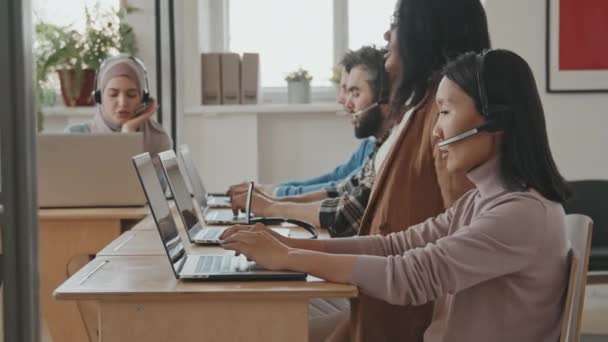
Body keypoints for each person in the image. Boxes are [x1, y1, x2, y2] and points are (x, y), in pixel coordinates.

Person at [221, 49, 572, 342]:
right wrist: (286, 245)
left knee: (254, 327)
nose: (435, 131)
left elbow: (408, 276)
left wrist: (289, 257)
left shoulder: (520, 215)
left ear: (496, 120)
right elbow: (393, 245)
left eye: (446, 112)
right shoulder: (482, 201)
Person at [231, 46, 395, 238]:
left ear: (384, 98)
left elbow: (344, 213)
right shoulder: (376, 146)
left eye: (355, 92)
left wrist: (272, 205)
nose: (345, 102)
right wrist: (271, 200)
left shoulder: (391, 148)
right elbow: (338, 189)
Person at [228, 52, 377, 199]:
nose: (341, 99)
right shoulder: (368, 144)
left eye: (352, 91)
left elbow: (338, 189)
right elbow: (336, 178)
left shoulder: (378, 151)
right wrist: (271, 190)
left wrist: (273, 195)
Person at [65, 54, 172, 157]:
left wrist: (128, 132)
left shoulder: (158, 139)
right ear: (99, 97)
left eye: (131, 95)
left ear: (142, 98)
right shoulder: (73, 136)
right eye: (113, 94)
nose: (122, 102)